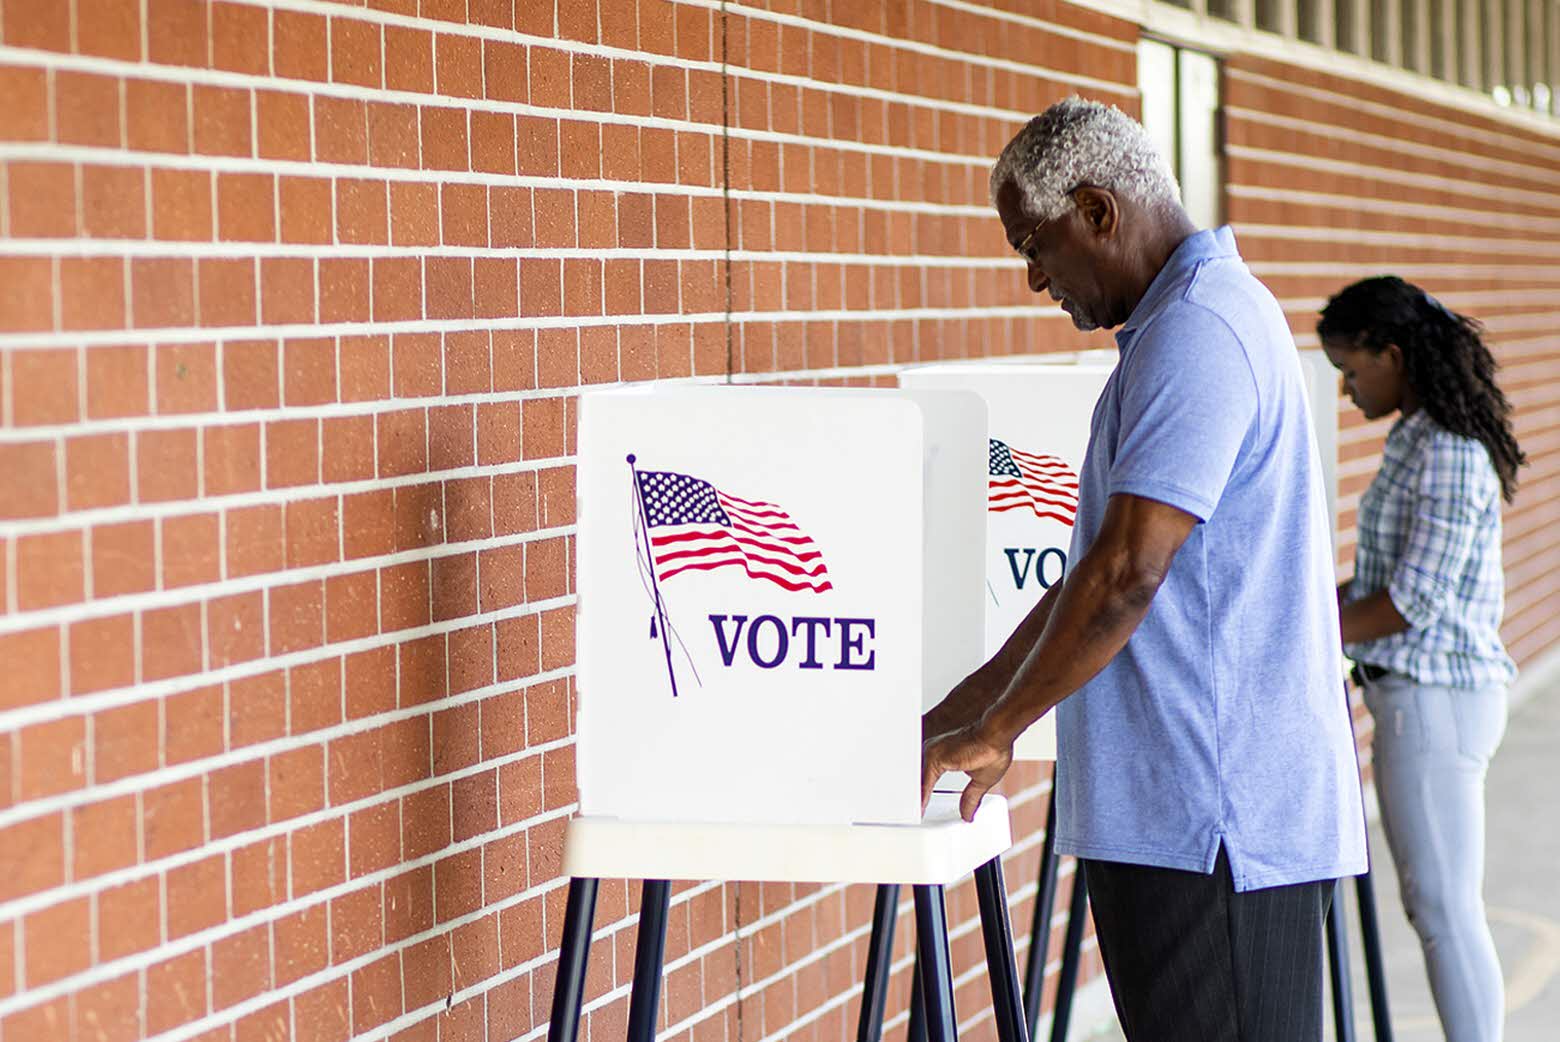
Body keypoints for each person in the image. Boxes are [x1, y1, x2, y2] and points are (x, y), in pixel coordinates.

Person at [920, 97, 1366, 1041]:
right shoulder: (1176, 332)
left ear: (1097, 210)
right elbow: (1084, 578)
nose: (1036, 279)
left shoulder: (1199, 331)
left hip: (1218, 828)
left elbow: (1127, 574)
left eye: (1033, 246)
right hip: (1184, 825)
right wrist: (961, 712)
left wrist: (1000, 730)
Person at [1319, 276, 1522, 1042]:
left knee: (1441, 909)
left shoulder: (1448, 451)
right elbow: (1378, 582)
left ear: (1393, 355)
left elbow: (1411, 602)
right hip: (1416, 700)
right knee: (1434, 904)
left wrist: (1305, 633)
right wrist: (1312, 608)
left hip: (1434, 703)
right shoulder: (1419, 436)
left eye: (1352, 370)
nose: (1346, 389)